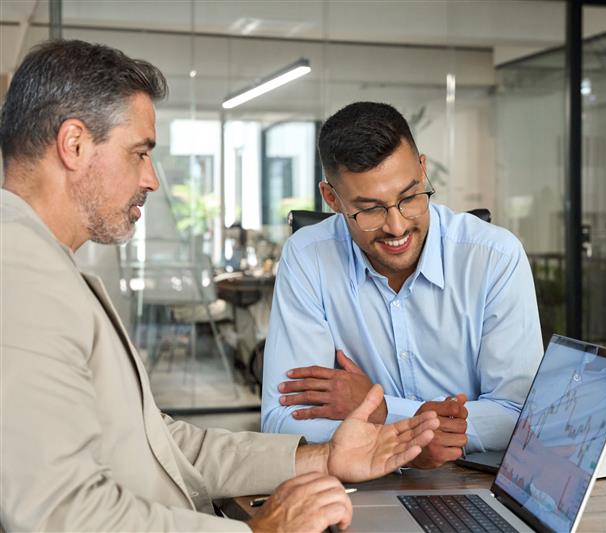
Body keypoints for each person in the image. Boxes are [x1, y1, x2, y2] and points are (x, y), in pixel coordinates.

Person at [0, 41, 439, 532]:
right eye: (139, 152)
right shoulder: (21, 271)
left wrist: (323, 458)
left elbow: (161, 447)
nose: (151, 179)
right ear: (74, 144)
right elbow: (60, 512)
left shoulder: (41, 263)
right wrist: (257, 531)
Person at [261, 102, 544, 469]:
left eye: (409, 197)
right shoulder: (308, 257)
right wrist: (412, 436)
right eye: (371, 209)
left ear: (422, 169)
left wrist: (382, 412)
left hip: (470, 481)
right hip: (358, 483)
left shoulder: (494, 257)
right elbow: (284, 423)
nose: (396, 227)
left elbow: (520, 415)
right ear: (332, 199)